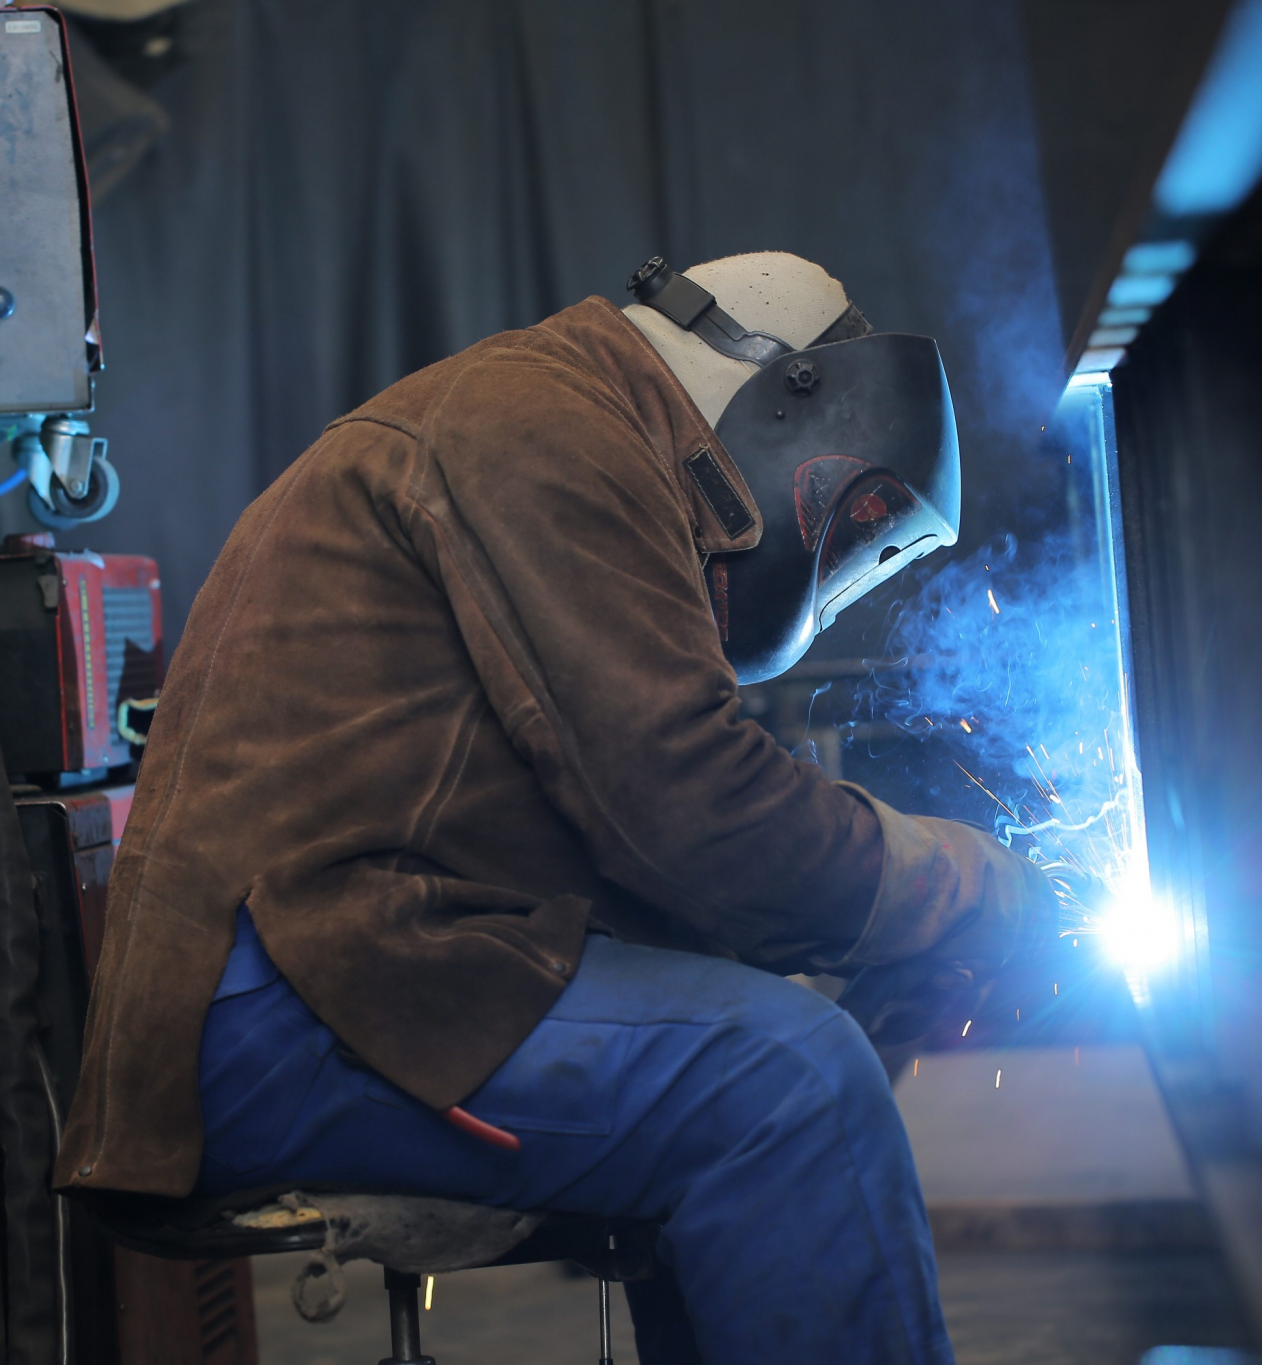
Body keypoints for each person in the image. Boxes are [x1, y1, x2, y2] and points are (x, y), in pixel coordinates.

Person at [55, 253, 1054, 1363]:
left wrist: (892, 972)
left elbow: (659, 854)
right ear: (788, 395)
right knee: (788, 1085)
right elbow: (691, 811)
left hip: (374, 973)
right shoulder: (547, 426)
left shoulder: (560, 419)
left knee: (786, 1058)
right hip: (288, 1011)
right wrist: (968, 883)